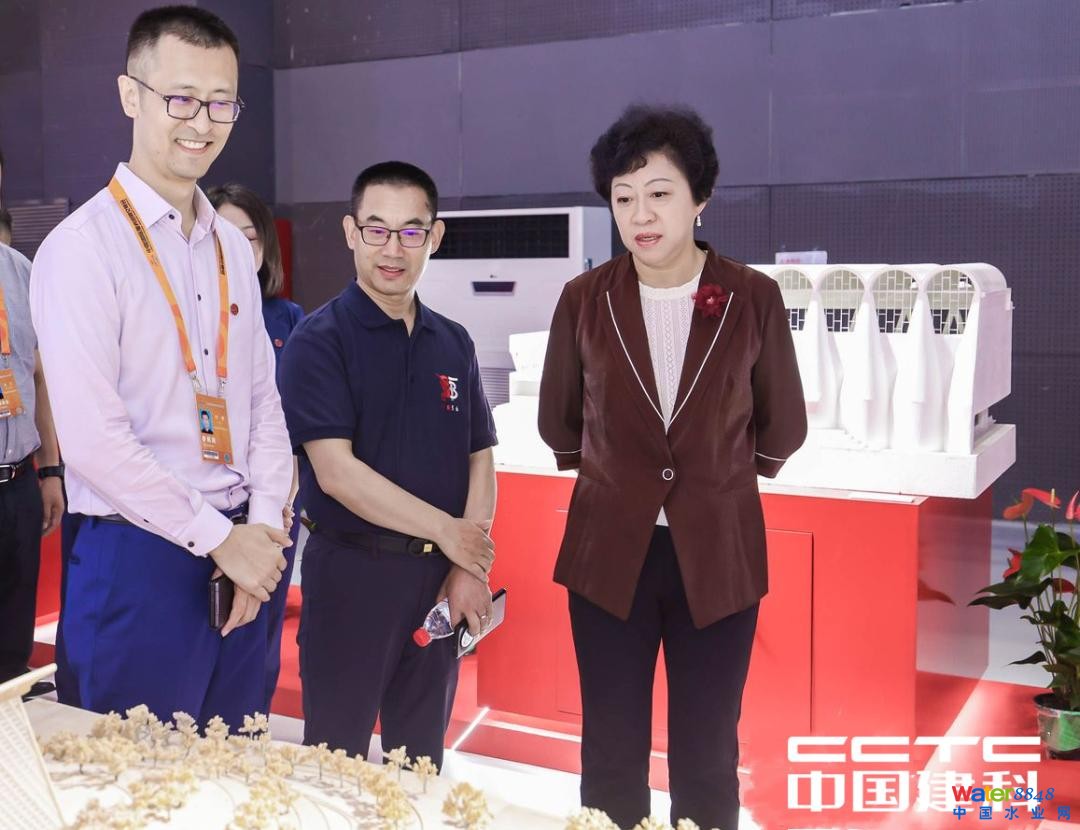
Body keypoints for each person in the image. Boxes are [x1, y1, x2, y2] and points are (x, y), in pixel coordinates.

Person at [538, 105, 807, 829]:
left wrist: (715, 475)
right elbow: (558, 420)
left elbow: (783, 422)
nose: (640, 215)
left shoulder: (751, 296)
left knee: (708, 751)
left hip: (716, 554)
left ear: (700, 197)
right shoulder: (584, 299)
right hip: (608, 554)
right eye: (623, 197)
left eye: (659, 193)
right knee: (610, 747)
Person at [29, 6, 293, 728]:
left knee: (233, 767)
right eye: (180, 98)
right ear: (130, 95)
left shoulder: (231, 247)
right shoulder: (81, 249)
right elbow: (93, 441)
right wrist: (222, 539)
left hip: (248, 552)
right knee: (131, 778)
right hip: (138, 559)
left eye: (220, 102)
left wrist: (261, 533)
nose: (201, 122)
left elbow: (264, 404)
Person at [279, 161, 497, 767]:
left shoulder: (453, 341)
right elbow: (337, 474)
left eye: (410, 231)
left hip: (437, 581)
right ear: (351, 233)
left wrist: (467, 564)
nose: (392, 248)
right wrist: (450, 533)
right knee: (335, 761)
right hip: (352, 576)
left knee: (420, 763)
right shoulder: (319, 340)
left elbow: (480, 456)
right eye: (376, 230)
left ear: (435, 236)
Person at [208, 182, 304, 711]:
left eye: (249, 236)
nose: (238, 246)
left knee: (260, 622)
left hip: (274, 499)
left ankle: (250, 725)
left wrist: (283, 496)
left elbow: (295, 417)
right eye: (225, 233)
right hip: (206, 501)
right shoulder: (191, 315)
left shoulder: (288, 318)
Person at [0, 144, 65, 694]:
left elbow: (41, 379)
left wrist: (51, 472)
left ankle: (12, 679)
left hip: (19, 475)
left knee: (18, 592)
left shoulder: (19, 271)